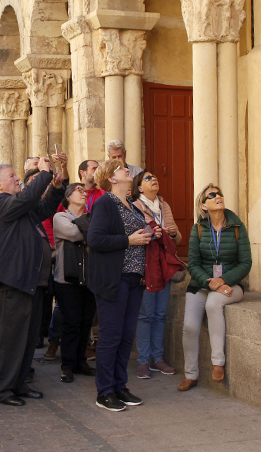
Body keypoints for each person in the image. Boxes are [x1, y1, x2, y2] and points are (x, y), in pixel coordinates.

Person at [0, 157, 65, 407]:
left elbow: (43, 209)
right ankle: (3, 390)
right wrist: (42, 173)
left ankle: (19, 384)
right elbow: (29, 199)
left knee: (28, 340)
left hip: (30, 282)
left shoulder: (18, 205)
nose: (18, 178)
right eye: (12, 176)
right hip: (13, 281)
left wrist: (57, 185)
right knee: (12, 341)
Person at [86, 159, 153, 412]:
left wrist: (149, 235)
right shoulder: (105, 203)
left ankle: (119, 385)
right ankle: (104, 391)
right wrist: (129, 240)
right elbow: (95, 238)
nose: (127, 169)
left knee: (126, 336)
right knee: (110, 336)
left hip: (134, 278)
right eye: (120, 168)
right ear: (112, 179)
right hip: (114, 279)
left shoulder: (132, 204)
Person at [179, 184, 251, 392]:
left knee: (213, 303)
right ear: (203, 205)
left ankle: (218, 364)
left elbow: (246, 263)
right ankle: (190, 375)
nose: (218, 196)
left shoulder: (237, 227)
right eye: (212, 195)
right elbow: (193, 264)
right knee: (190, 327)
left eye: (220, 193)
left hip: (231, 285)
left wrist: (224, 280)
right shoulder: (198, 228)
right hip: (201, 284)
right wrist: (210, 282)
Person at [131, 169, 182, 379]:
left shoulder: (164, 205)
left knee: (161, 314)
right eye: (148, 178)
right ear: (140, 187)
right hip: (146, 266)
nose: (155, 180)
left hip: (164, 265)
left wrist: (172, 233)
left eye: (155, 178)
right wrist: (153, 233)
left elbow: (178, 238)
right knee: (145, 315)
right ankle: (143, 360)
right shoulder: (134, 206)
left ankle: (157, 358)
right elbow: (134, 236)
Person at [52, 183, 97, 383]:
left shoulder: (90, 217)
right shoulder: (60, 217)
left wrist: (91, 234)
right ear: (68, 197)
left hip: (89, 278)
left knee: (85, 322)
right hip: (67, 279)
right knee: (71, 323)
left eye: (84, 191)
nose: (83, 192)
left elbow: (96, 236)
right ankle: (67, 365)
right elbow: (73, 234)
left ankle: (81, 361)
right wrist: (91, 234)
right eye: (78, 190)